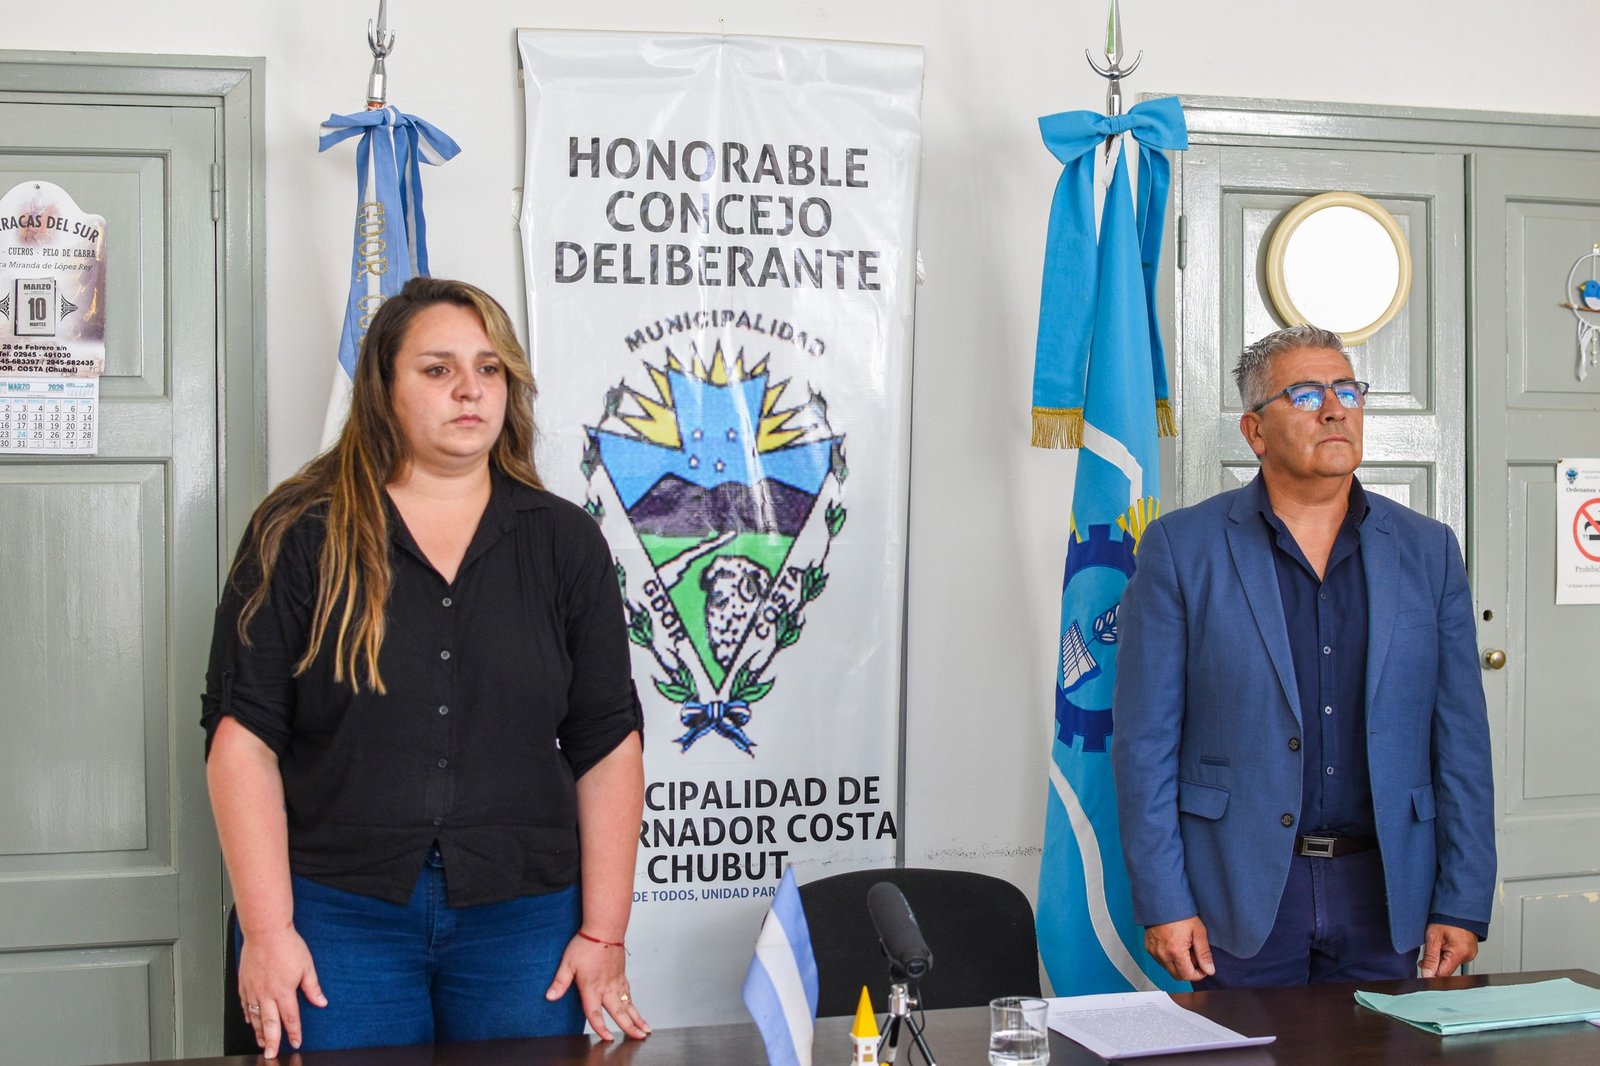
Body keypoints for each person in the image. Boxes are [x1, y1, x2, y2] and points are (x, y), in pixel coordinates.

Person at [202, 276, 650, 1056]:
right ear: (383, 387)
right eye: (438, 369)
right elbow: (244, 738)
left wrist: (604, 934)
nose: (470, 389)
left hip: (524, 920)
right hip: (335, 914)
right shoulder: (299, 533)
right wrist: (267, 932)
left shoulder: (565, 543)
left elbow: (607, 744)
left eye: (489, 368)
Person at [1111, 324, 1495, 988]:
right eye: (1308, 394)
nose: (1336, 409)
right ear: (1255, 432)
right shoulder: (1182, 548)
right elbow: (1145, 743)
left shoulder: (1428, 550)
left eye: (1348, 390)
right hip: (1239, 890)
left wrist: (1462, 899)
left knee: (1387, 1045)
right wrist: (1164, 901)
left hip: (1389, 889)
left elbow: (1461, 739)